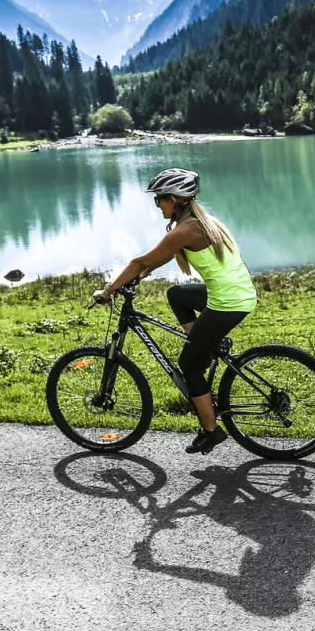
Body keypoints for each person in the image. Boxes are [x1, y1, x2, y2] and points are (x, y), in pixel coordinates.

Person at [94, 168, 257, 456]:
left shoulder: (185, 230)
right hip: (237, 293)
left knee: (189, 366)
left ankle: (211, 431)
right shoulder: (203, 223)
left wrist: (107, 291)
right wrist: (142, 274)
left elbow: (139, 260)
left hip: (227, 301)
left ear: (173, 199)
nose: (158, 205)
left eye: (159, 200)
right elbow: (155, 260)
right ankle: (204, 345)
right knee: (177, 294)